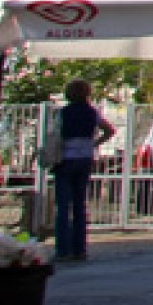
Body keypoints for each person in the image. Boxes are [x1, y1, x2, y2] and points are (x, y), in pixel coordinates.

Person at [53, 77, 115, 261]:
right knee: (80, 204)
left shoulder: (63, 113)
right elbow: (109, 130)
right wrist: (95, 143)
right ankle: (79, 248)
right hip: (85, 158)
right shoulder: (92, 113)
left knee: (63, 205)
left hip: (65, 159)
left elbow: (55, 135)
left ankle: (63, 249)